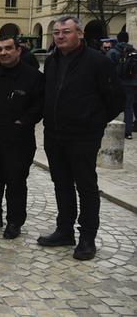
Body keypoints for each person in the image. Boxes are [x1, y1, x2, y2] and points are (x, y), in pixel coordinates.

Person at [38, 16, 123, 260]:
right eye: (57, 32)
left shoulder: (97, 62)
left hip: (83, 136)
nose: (60, 36)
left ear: (80, 34)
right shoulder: (52, 60)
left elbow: (115, 100)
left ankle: (87, 237)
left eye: (66, 31)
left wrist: (93, 123)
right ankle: (64, 229)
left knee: (86, 186)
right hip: (54, 134)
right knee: (61, 183)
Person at [0, 36, 44, 239]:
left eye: (8, 49)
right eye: (0, 49)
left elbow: (39, 106)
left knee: (15, 182)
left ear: (18, 50)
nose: (3, 53)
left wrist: (22, 122)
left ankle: (14, 221)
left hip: (18, 140)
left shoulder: (33, 77)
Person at [107, 31, 137, 138]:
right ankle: (131, 129)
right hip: (133, 83)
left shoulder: (113, 51)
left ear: (118, 39)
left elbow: (108, 68)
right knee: (131, 106)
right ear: (128, 39)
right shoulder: (134, 51)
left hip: (121, 83)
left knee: (121, 106)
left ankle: (122, 131)